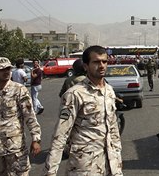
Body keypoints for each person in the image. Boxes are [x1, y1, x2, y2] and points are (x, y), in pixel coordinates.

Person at [44, 45, 123, 176]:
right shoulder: (74, 94)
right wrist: (50, 171)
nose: (102, 65)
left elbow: (113, 127)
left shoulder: (109, 90)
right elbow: (60, 135)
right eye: (96, 62)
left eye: (104, 61)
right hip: (85, 166)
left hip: (111, 163)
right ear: (86, 66)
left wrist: (117, 157)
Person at [0, 57, 42, 175]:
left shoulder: (19, 90)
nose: (6, 72)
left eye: (8, 68)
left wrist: (36, 139)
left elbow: (30, 116)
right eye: (2, 69)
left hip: (15, 151)